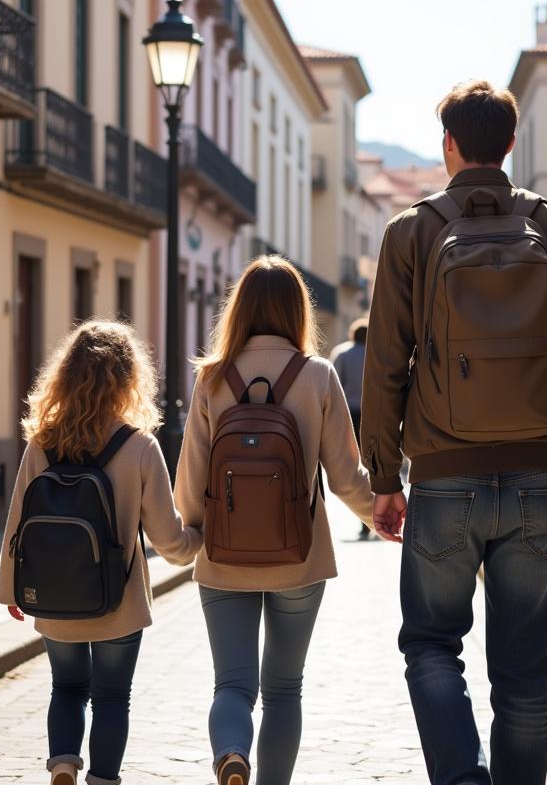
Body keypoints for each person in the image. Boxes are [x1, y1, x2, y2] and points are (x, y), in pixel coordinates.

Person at [362, 79, 547, 785]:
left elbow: (385, 366)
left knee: (431, 646)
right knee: (524, 673)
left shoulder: (411, 232)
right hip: (540, 480)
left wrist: (384, 480)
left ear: (448, 145)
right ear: (509, 145)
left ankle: (462, 776)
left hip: (443, 480)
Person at [174, 256, 377, 785]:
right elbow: (344, 476)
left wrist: (190, 535)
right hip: (300, 558)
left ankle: (232, 753)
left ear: (238, 309)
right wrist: (380, 515)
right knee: (284, 688)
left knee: (232, 686)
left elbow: (192, 476)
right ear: (296, 311)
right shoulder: (317, 376)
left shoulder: (211, 379)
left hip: (222, 558)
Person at [0, 320, 202, 785]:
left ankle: (64, 764)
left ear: (65, 374)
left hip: (51, 594)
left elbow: (18, 521)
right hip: (118, 600)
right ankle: (103, 779)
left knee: (66, 688)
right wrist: (198, 540)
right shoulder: (140, 446)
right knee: (112, 697)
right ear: (130, 379)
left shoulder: (42, 441)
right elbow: (168, 539)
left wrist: (12, 587)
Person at [330, 317, 371, 539]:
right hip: (373, 414)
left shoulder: (342, 354)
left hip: (350, 414)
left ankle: (366, 516)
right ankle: (375, 509)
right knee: (372, 462)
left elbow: (334, 386)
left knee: (354, 464)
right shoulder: (376, 353)